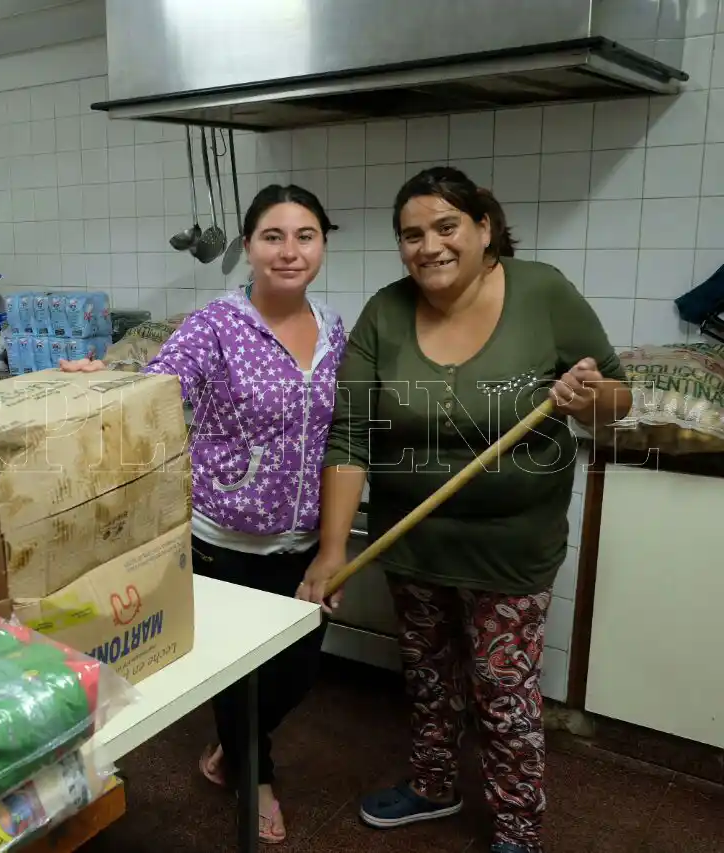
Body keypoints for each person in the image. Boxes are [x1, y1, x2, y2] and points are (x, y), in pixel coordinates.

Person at [302, 166, 632, 853]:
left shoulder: (542, 293)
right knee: (426, 672)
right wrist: (333, 550)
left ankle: (517, 826)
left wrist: (588, 397)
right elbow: (350, 431)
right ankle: (432, 784)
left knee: (501, 688)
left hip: (512, 545)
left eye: (446, 226)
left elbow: (616, 398)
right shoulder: (385, 312)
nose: (429, 246)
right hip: (413, 541)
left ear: (484, 228)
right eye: (411, 234)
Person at [59, 184, 346, 844]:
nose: (289, 250)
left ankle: (237, 747)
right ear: (247, 246)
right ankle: (255, 772)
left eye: (305, 235)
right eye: (272, 236)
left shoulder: (332, 327)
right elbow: (158, 384)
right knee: (240, 672)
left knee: (297, 673)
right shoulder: (215, 325)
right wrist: (97, 379)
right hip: (224, 536)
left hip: (302, 536)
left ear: (323, 244)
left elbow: (337, 430)